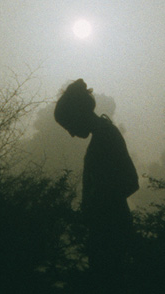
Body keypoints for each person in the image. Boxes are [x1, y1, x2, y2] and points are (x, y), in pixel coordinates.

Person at [54, 79, 138, 291]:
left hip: (113, 237)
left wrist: (100, 206)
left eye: (70, 126)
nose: (72, 133)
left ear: (78, 114)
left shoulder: (106, 137)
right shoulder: (103, 135)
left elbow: (130, 181)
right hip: (107, 235)